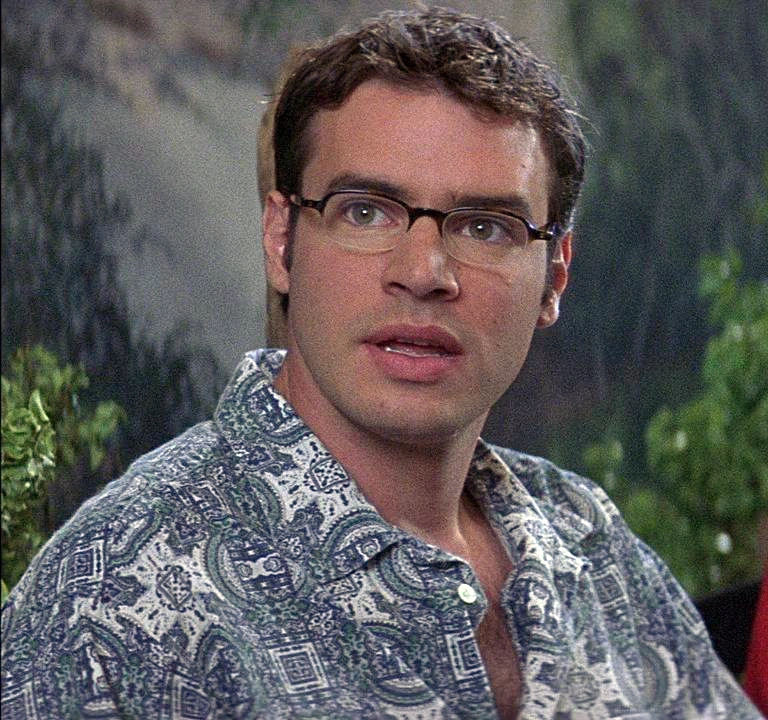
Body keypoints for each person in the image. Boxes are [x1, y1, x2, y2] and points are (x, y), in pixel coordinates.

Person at [1, 8, 760, 719]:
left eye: (486, 226)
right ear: (281, 241)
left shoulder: (592, 543)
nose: (424, 271)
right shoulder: (110, 602)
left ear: (554, 276)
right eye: (365, 211)